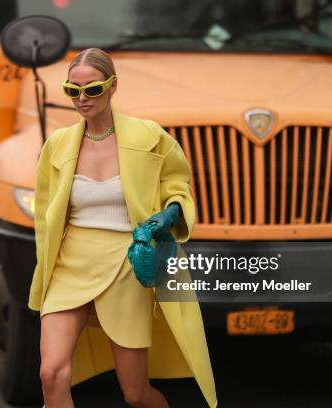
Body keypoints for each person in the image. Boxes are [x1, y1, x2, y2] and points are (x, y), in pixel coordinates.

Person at [28, 48, 217, 408]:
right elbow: (43, 214)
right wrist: (45, 267)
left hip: (127, 265)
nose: (82, 99)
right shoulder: (57, 145)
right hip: (69, 264)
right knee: (51, 374)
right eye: (73, 91)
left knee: (135, 394)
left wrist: (170, 214)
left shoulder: (150, 138)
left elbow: (178, 187)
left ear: (113, 86)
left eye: (93, 89)